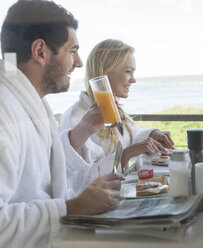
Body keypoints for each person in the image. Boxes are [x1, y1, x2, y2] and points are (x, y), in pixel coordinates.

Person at [0, 1, 123, 247]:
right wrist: (73, 207)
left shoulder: (28, 100)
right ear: (40, 51)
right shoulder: (4, 113)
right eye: (72, 50)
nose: (78, 62)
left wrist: (80, 134)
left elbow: (39, 174)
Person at [59, 39, 175, 194]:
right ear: (106, 73)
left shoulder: (114, 109)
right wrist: (125, 155)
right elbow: (77, 182)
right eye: (128, 71)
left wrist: (153, 135)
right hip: (94, 207)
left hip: (119, 194)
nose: (133, 79)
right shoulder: (75, 118)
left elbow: (133, 135)